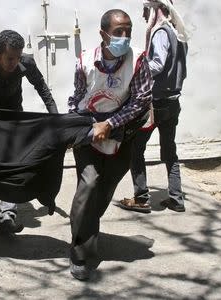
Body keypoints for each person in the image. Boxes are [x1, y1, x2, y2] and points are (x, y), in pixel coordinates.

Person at [67, 9, 153, 280]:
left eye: (128, 31)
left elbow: (140, 101)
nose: (124, 37)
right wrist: (75, 124)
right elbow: (78, 96)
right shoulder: (85, 61)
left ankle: (90, 225)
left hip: (122, 135)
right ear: (104, 34)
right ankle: (80, 252)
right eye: (118, 32)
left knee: (106, 187)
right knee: (89, 184)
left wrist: (111, 124)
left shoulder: (138, 60)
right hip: (89, 133)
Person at [0, 29, 58, 234]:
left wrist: (55, 117)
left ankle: (7, 216)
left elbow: (42, 87)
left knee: (12, 166)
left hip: (14, 120)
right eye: (9, 58)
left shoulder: (26, 63)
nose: (14, 63)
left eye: (17, 57)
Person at [118, 0, 189, 214]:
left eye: (145, 10)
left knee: (135, 149)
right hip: (172, 103)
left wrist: (135, 67)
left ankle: (141, 198)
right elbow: (181, 70)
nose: (142, 16)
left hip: (154, 105)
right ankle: (176, 198)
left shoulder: (160, 32)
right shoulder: (178, 33)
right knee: (170, 151)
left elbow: (157, 64)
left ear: (155, 9)